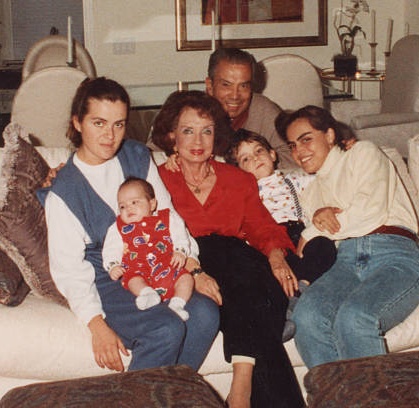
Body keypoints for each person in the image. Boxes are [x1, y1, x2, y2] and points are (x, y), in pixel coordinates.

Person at [41, 77, 219, 374]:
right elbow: (68, 270)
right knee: (166, 328)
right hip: (107, 276)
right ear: (77, 122)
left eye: (119, 124)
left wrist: (192, 266)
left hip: (156, 260)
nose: (110, 136)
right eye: (99, 123)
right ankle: (139, 396)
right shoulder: (63, 191)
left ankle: (172, 395)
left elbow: (167, 216)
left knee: (205, 313)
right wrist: (96, 325)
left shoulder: (136, 156)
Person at [152, 90, 305, 408]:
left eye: (206, 131)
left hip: (243, 267)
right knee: (248, 291)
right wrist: (195, 272)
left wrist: (277, 257)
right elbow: (156, 238)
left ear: (217, 135)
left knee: (252, 277)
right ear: (171, 136)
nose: (198, 140)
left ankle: (240, 387)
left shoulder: (238, 179)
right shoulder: (156, 182)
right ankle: (243, 390)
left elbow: (262, 226)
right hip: (195, 261)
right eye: (188, 130)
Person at [275, 105, 419, 369]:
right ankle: (336, 392)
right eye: (292, 146)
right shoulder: (310, 194)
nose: (299, 152)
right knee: (306, 318)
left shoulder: (363, 153)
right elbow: (316, 244)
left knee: (354, 317)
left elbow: (369, 212)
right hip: (344, 261)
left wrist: (314, 229)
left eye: (306, 139)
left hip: (393, 252)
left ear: (330, 135)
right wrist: (320, 222)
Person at [224, 128, 336, 288]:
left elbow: (326, 178)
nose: (255, 158)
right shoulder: (244, 194)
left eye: (259, 151)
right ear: (239, 172)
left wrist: (339, 150)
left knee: (324, 245)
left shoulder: (295, 179)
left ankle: (303, 285)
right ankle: (299, 287)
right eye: (246, 159)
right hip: (274, 244)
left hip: (301, 233)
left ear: (272, 154)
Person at [102, 177, 194, 321]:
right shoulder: (117, 228)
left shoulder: (168, 219)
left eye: (134, 202)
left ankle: (177, 305)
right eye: (122, 206)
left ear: (152, 204)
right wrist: (113, 266)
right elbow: (110, 249)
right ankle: (147, 294)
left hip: (168, 268)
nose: (128, 208)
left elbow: (180, 236)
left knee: (187, 279)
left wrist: (180, 251)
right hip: (138, 271)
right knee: (132, 280)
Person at [204, 47, 296, 170]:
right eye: (226, 85)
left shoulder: (263, 110)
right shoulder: (193, 115)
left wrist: (253, 168)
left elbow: (293, 157)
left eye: (243, 86)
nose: (235, 96)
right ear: (210, 86)